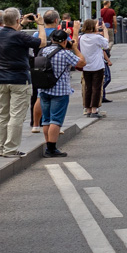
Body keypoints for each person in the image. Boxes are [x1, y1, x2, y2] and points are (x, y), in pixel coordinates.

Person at [0, 8, 42, 157]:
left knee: (2, 115)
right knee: (16, 115)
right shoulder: (20, 36)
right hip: (19, 80)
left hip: (1, 80)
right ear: (17, 20)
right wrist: (40, 24)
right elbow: (41, 43)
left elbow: (13, 32)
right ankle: (11, 149)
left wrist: (21, 23)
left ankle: (1, 147)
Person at [37, 28, 83, 157]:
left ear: (52, 39)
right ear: (64, 41)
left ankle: (48, 145)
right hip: (60, 91)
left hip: (43, 89)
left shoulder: (43, 51)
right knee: (56, 120)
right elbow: (82, 63)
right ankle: (51, 149)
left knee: (46, 119)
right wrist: (75, 48)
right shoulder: (65, 54)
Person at [77, 20, 111, 118]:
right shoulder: (98, 38)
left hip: (86, 66)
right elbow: (106, 45)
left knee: (88, 88)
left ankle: (87, 108)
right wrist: (104, 30)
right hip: (97, 66)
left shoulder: (81, 38)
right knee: (96, 88)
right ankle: (94, 109)